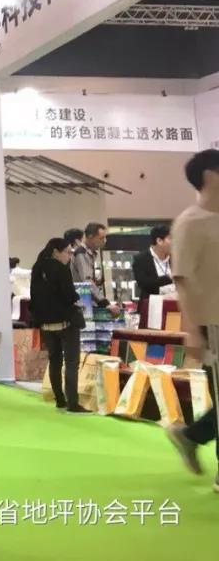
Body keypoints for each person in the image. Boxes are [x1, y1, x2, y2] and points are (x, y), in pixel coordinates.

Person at [164, 150, 219, 492]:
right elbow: (181, 279)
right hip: (212, 323)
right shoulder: (190, 222)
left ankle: (190, 435)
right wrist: (192, 330)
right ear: (210, 175)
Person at [29, 238, 87, 413]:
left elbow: (34, 297)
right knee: (71, 362)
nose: (69, 256)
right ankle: (73, 403)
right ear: (56, 251)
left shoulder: (37, 268)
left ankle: (60, 400)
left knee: (54, 361)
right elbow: (69, 295)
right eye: (67, 252)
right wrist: (77, 299)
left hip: (46, 324)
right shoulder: (61, 269)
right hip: (65, 322)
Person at [132, 225, 174, 306]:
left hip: (174, 308)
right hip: (151, 307)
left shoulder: (175, 259)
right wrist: (168, 278)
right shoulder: (140, 259)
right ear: (159, 241)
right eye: (170, 238)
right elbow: (144, 284)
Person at [70, 222, 110, 303]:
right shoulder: (81, 253)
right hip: (82, 300)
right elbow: (87, 280)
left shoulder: (91, 253)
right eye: (101, 238)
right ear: (90, 237)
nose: (104, 241)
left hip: (86, 298)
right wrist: (102, 300)